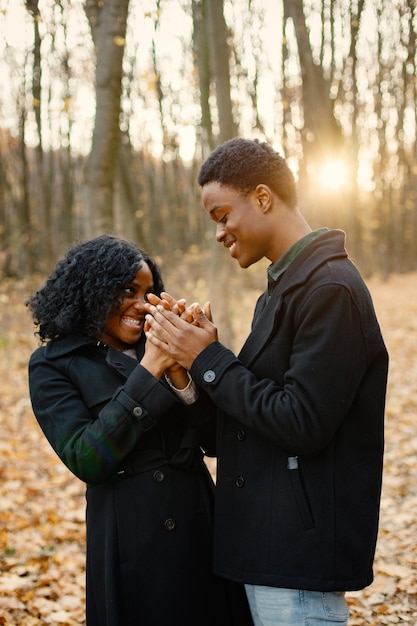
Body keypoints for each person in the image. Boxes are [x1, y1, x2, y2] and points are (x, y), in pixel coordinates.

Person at [144, 138, 389, 626]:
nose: (218, 233)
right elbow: (247, 426)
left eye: (221, 215)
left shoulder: (331, 288)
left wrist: (209, 357)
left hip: (299, 558)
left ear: (261, 198)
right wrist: (187, 372)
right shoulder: (281, 290)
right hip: (267, 547)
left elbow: (301, 423)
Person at [26, 234, 253, 626]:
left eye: (149, 292)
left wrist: (184, 373)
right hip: (131, 539)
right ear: (92, 289)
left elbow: (216, 442)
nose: (142, 304)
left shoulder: (167, 343)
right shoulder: (52, 364)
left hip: (200, 525)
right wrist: (151, 369)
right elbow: (87, 458)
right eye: (128, 291)